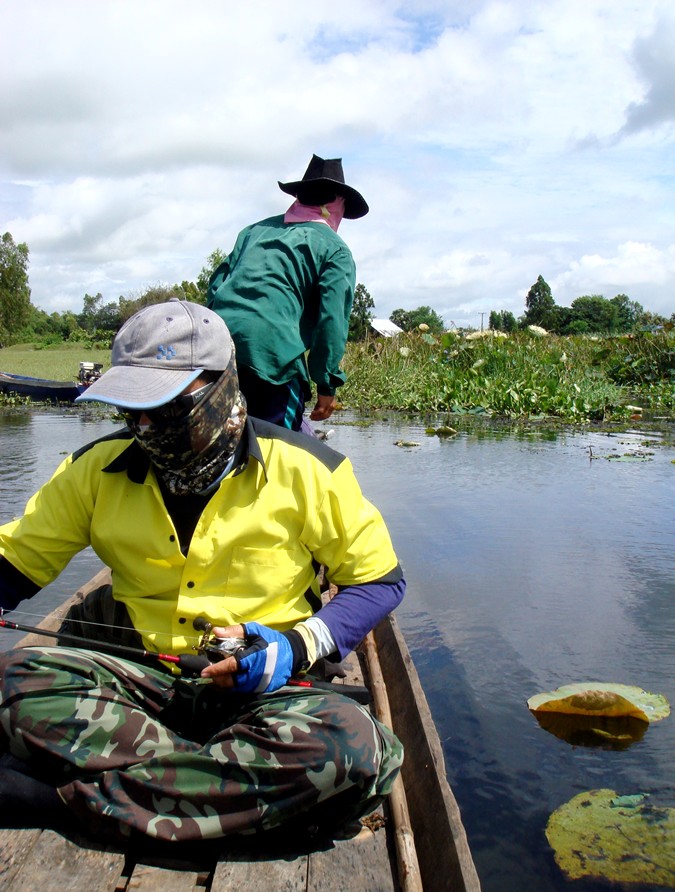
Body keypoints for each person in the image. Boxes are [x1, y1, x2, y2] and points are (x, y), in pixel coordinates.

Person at [0, 299, 405, 844]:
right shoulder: (92, 471)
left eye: (163, 406)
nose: (144, 426)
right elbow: (13, 566)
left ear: (219, 389)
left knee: (353, 745)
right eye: (130, 408)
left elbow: (380, 581)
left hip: (267, 694)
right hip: (137, 686)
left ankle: (56, 801)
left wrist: (298, 646)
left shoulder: (310, 471)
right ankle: (228, 787)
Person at [207, 154, 368, 432]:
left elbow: (216, 285)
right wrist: (326, 384)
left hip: (214, 349)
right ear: (335, 205)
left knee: (220, 447)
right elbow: (331, 322)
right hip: (273, 360)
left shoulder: (253, 232)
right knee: (276, 455)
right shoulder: (335, 249)